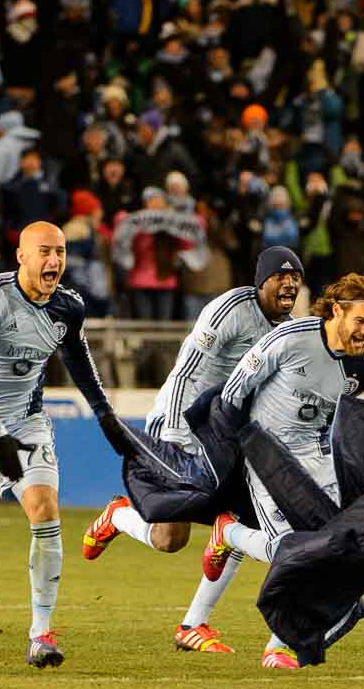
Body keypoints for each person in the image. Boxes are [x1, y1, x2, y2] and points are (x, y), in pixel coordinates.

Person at [80, 247, 305, 655]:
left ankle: (193, 624)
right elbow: (186, 368)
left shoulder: (287, 332)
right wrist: (172, 433)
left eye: (296, 278)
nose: (289, 283)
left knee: (243, 520)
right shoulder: (230, 309)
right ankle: (119, 516)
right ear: (261, 281)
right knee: (170, 539)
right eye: (281, 276)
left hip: (228, 437)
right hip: (181, 426)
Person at [0, 222, 136, 668]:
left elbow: (77, 355)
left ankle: (41, 633)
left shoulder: (68, 307)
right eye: (44, 252)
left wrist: (104, 413)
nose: (54, 261)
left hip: (25, 423)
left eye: (60, 252)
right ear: (21, 256)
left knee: (45, 510)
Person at [201, 274, 364, 669]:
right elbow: (233, 394)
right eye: (361, 321)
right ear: (337, 311)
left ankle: (281, 640)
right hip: (266, 454)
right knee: (293, 551)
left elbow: (336, 414)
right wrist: (235, 452)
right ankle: (229, 535)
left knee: (339, 548)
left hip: (317, 458)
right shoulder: (287, 340)